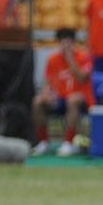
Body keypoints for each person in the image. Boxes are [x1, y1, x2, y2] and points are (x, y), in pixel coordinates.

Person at [32, 28, 94, 157]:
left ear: (73, 42)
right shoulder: (52, 59)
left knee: (72, 99)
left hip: (82, 99)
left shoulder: (85, 56)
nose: (65, 45)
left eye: (69, 41)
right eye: (62, 42)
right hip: (59, 98)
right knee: (37, 102)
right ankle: (44, 142)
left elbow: (82, 77)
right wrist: (46, 94)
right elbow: (47, 82)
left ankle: (68, 142)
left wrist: (70, 58)